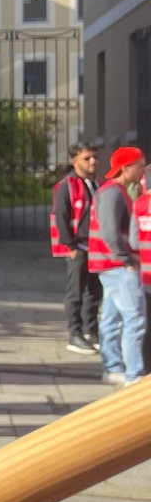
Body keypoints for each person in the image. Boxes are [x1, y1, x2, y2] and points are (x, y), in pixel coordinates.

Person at [88, 146, 146, 385]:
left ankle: (113, 367)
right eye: (139, 165)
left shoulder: (113, 191)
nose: (142, 170)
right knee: (135, 319)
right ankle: (134, 375)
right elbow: (110, 231)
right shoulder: (113, 193)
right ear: (126, 168)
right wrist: (127, 259)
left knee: (111, 318)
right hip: (118, 265)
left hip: (109, 264)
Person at [52, 143, 102, 355]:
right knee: (76, 292)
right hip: (78, 246)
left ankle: (93, 330)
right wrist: (70, 245)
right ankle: (75, 333)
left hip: (94, 246)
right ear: (75, 161)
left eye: (94, 158)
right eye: (87, 158)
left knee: (95, 291)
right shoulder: (67, 185)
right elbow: (61, 216)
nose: (93, 162)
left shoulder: (97, 183)